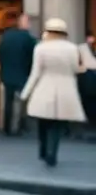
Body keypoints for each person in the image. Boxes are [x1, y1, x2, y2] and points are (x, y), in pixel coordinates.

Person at [20, 18, 87, 167]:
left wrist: (25, 93)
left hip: (45, 87)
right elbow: (77, 69)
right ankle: (52, 153)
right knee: (58, 124)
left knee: (43, 122)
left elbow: (35, 73)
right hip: (66, 88)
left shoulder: (41, 48)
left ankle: (43, 149)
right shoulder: (72, 48)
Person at [0, 12, 37, 136]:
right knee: (20, 101)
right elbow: (33, 56)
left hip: (6, 73)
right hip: (22, 73)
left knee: (7, 101)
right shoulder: (28, 38)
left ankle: (6, 127)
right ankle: (18, 127)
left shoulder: (6, 36)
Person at [79, 30, 96, 125]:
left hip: (92, 74)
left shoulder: (93, 48)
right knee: (87, 97)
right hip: (86, 74)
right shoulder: (82, 47)